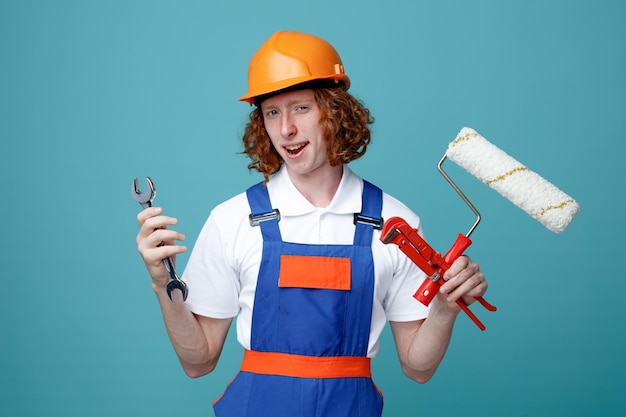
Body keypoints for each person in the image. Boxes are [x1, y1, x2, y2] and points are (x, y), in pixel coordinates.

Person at [135, 30, 489, 417]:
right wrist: (160, 283)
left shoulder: (394, 225)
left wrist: (443, 307)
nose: (285, 129)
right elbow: (197, 361)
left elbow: (418, 369)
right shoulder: (233, 220)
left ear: (335, 112)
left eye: (301, 108)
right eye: (272, 112)